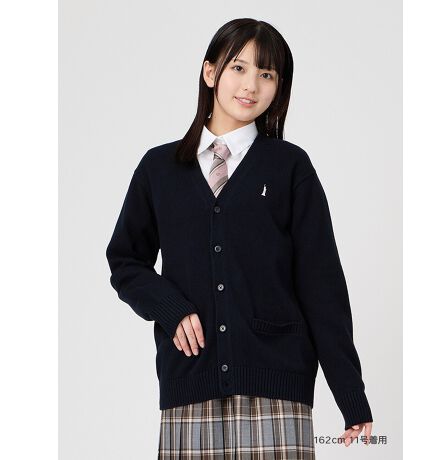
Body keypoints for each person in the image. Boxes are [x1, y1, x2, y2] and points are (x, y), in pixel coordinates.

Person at [106, 18, 373, 459]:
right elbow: (125, 261)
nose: (251, 85)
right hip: (189, 386)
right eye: (239, 68)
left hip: (277, 391)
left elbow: (321, 283)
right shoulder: (159, 169)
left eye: (267, 74)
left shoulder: (290, 167)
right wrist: (171, 308)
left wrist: (350, 393)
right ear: (210, 72)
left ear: (279, 87)